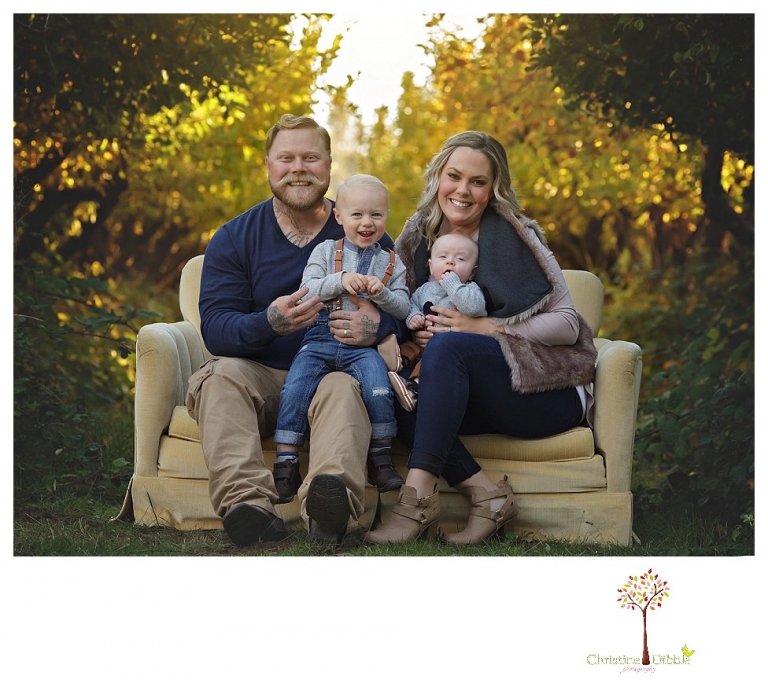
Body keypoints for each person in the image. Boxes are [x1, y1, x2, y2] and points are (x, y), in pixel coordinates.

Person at [365, 130, 597, 546]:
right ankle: (488, 497)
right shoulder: (416, 238)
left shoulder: (518, 238)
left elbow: (567, 323)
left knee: (452, 347)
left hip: (543, 392)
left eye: (478, 182)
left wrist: (489, 327)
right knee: (388, 394)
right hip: (466, 393)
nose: (463, 191)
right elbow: (389, 297)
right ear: (438, 177)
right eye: (454, 176)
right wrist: (395, 335)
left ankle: (413, 503)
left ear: (493, 190)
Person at [185, 114, 405, 547]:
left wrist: (377, 325)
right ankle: (248, 509)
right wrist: (270, 321)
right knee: (220, 376)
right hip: (260, 375)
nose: (298, 168)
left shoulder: (364, 231)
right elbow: (215, 327)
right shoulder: (235, 237)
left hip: (331, 373)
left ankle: (330, 506)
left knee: (345, 388)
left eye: (310, 157)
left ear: (327, 166)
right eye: (286, 158)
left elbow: (403, 302)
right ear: (268, 164)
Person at [271, 174, 408, 505]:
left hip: (363, 348)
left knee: (378, 386)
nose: (367, 222)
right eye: (357, 214)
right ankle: (286, 464)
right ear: (339, 216)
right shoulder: (325, 251)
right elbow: (308, 290)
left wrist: (384, 293)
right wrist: (341, 279)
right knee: (296, 387)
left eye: (376, 215)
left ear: (386, 216)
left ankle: (381, 459)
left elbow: (405, 307)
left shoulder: (391, 261)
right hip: (320, 337)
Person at [387, 232, 486, 411]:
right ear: (431, 267)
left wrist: (453, 285)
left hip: (448, 352)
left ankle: (414, 388)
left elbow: (474, 308)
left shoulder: (471, 289)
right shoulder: (425, 289)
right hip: (423, 345)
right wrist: (414, 318)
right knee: (407, 348)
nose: (450, 262)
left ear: (473, 272)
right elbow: (411, 305)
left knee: (432, 360)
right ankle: (394, 364)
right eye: (443, 257)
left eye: (460, 259)